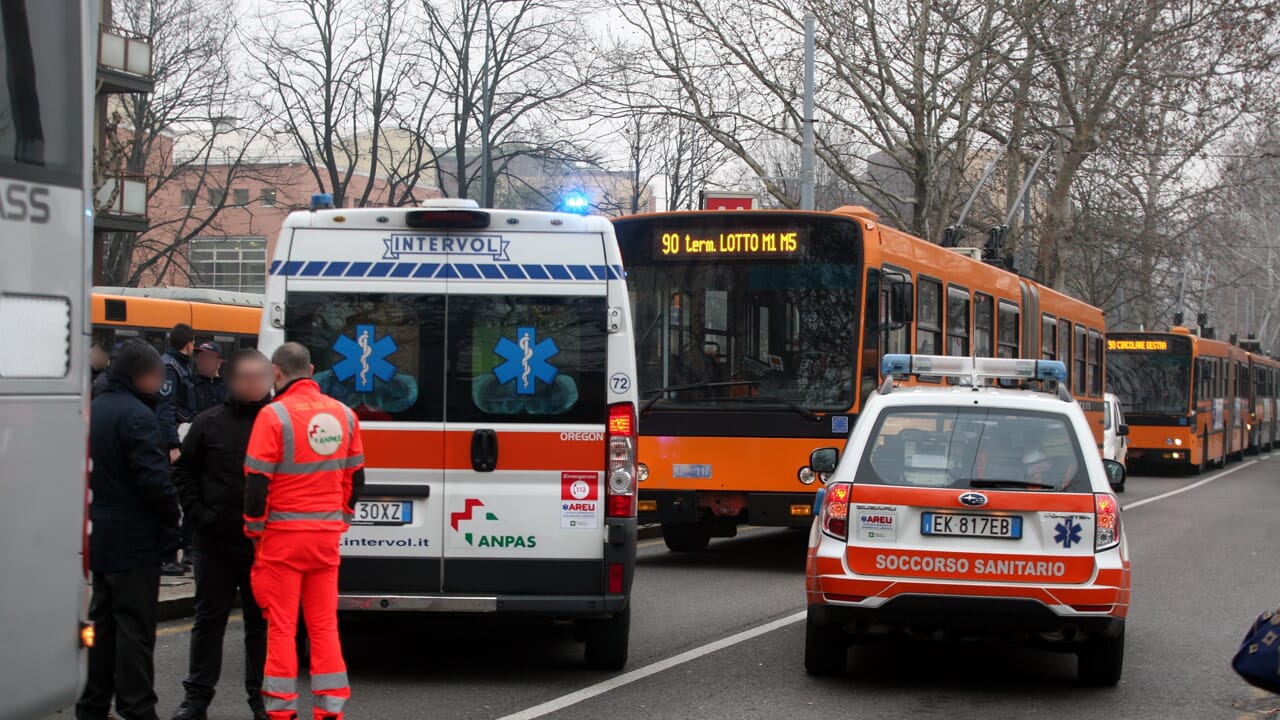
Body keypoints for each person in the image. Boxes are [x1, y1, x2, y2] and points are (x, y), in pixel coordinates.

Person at [244, 342, 365, 720]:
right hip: (325, 539)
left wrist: (254, 528)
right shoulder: (345, 415)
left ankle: (282, 711)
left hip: (282, 539)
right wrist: (342, 516)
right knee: (324, 625)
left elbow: (257, 482)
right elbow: (356, 477)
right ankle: (330, 709)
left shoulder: (273, 415)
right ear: (311, 370)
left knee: (282, 627)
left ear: (276, 373)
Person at [76, 339, 182, 720]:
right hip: (134, 539)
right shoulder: (138, 416)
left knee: (102, 628)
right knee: (135, 631)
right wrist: (172, 520)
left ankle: (92, 705)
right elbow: (154, 482)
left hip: (99, 536)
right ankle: (139, 709)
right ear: (144, 376)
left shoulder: (95, 408)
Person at [170, 350, 275, 720]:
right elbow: (184, 472)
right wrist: (200, 515)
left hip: (263, 545)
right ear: (231, 380)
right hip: (214, 543)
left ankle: (262, 700)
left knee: (260, 626)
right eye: (245, 377)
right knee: (208, 621)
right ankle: (196, 699)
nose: (253, 384)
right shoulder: (208, 422)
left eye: (259, 376)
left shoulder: (279, 422)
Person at [158, 323, 197, 576]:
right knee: (171, 500)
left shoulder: (178, 366)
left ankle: (175, 553)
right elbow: (166, 409)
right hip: (173, 442)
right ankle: (167, 556)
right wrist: (173, 445)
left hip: (180, 436)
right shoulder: (170, 368)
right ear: (188, 344)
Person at [192, 342, 228, 415]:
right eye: (200, 358)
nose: (202, 362)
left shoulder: (228, 388)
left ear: (219, 363)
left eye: (206, 358)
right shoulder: (190, 382)